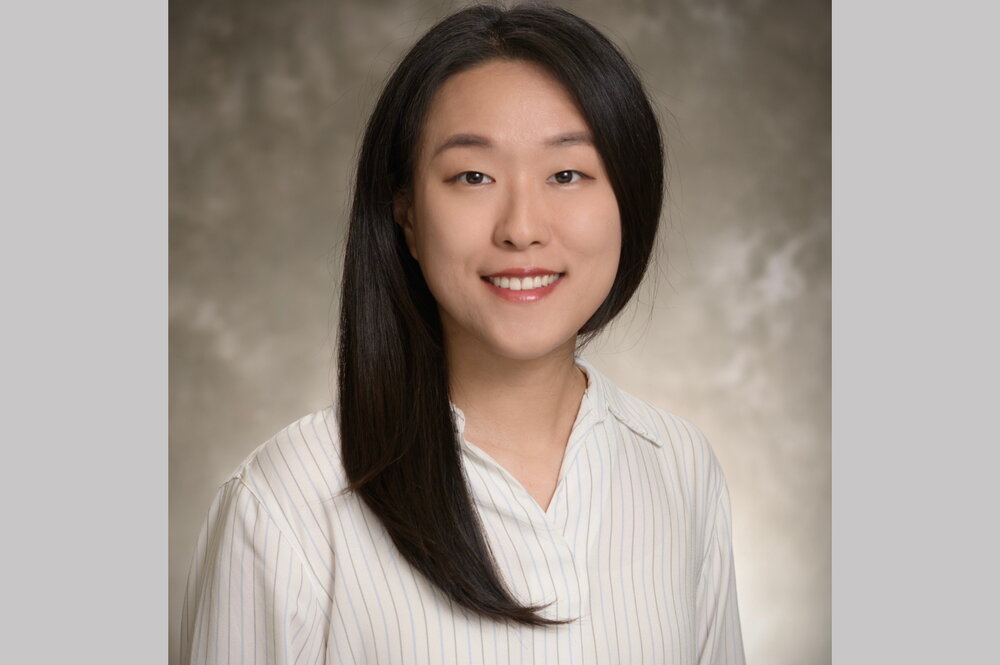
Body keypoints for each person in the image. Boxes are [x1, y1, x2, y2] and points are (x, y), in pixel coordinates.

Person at [179, 3, 745, 664]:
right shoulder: (285, 501)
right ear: (407, 215)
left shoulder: (680, 467)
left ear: (630, 198)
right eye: (473, 176)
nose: (522, 227)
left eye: (567, 173)